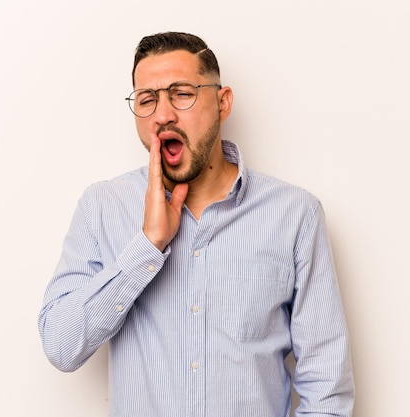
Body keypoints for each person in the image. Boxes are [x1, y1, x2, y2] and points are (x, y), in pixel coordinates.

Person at [38, 31, 355, 417]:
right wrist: (147, 246)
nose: (163, 114)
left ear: (222, 103)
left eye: (182, 93)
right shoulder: (102, 207)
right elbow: (60, 344)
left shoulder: (294, 215)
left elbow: (326, 388)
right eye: (147, 100)